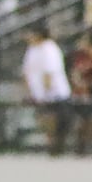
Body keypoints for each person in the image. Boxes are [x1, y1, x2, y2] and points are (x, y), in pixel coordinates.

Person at [22, 24, 71, 152]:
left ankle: (55, 146)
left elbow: (49, 73)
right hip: (38, 94)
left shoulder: (49, 49)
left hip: (54, 93)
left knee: (53, 119)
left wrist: (45, 94)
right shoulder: (32, 49)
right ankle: (51, 144)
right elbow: (27, 72)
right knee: (43, 118)